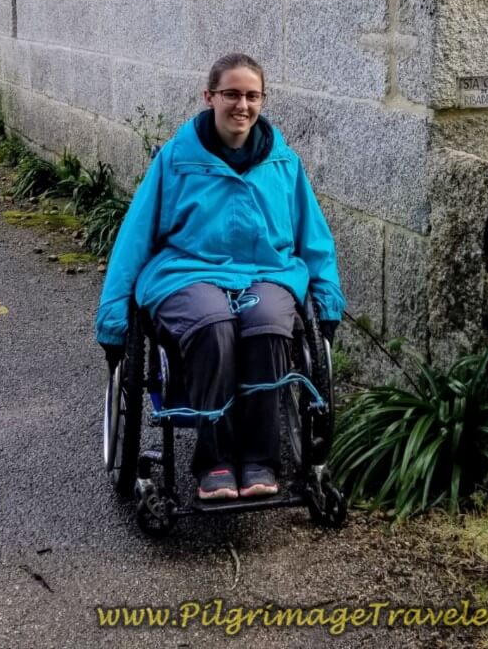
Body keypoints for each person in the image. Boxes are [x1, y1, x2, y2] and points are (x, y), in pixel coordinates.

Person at [95, 53, 342, 502]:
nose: (241, 105)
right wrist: (113, 320)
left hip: (267, 273)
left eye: (252, 96)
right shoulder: (175, 159)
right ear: (209, 97)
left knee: (269, 326)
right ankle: (215, 461)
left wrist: (327, 305)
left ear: (263, 101)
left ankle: (260, 459)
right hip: (185, 273)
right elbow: (133, 238)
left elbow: (314, 237)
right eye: (231, 94)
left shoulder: (283, 163)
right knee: (213, 326)